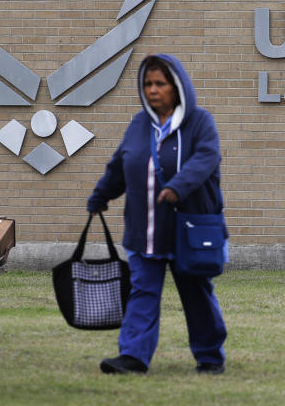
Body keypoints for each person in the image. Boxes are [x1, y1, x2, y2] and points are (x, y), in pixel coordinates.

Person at [87, 54, 228, 375]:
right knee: (142, 293)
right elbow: (120, 164)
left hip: (187, 231)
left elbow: (207, 157)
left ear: (177, 87)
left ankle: (210, 356)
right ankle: (134, 357)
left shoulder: (200, 122)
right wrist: (100, 195)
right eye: (148, 84)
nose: (152, 90)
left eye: (160, 83)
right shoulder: (140, 124)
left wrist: (178, 186)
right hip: (145, 230)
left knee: (197, 295)